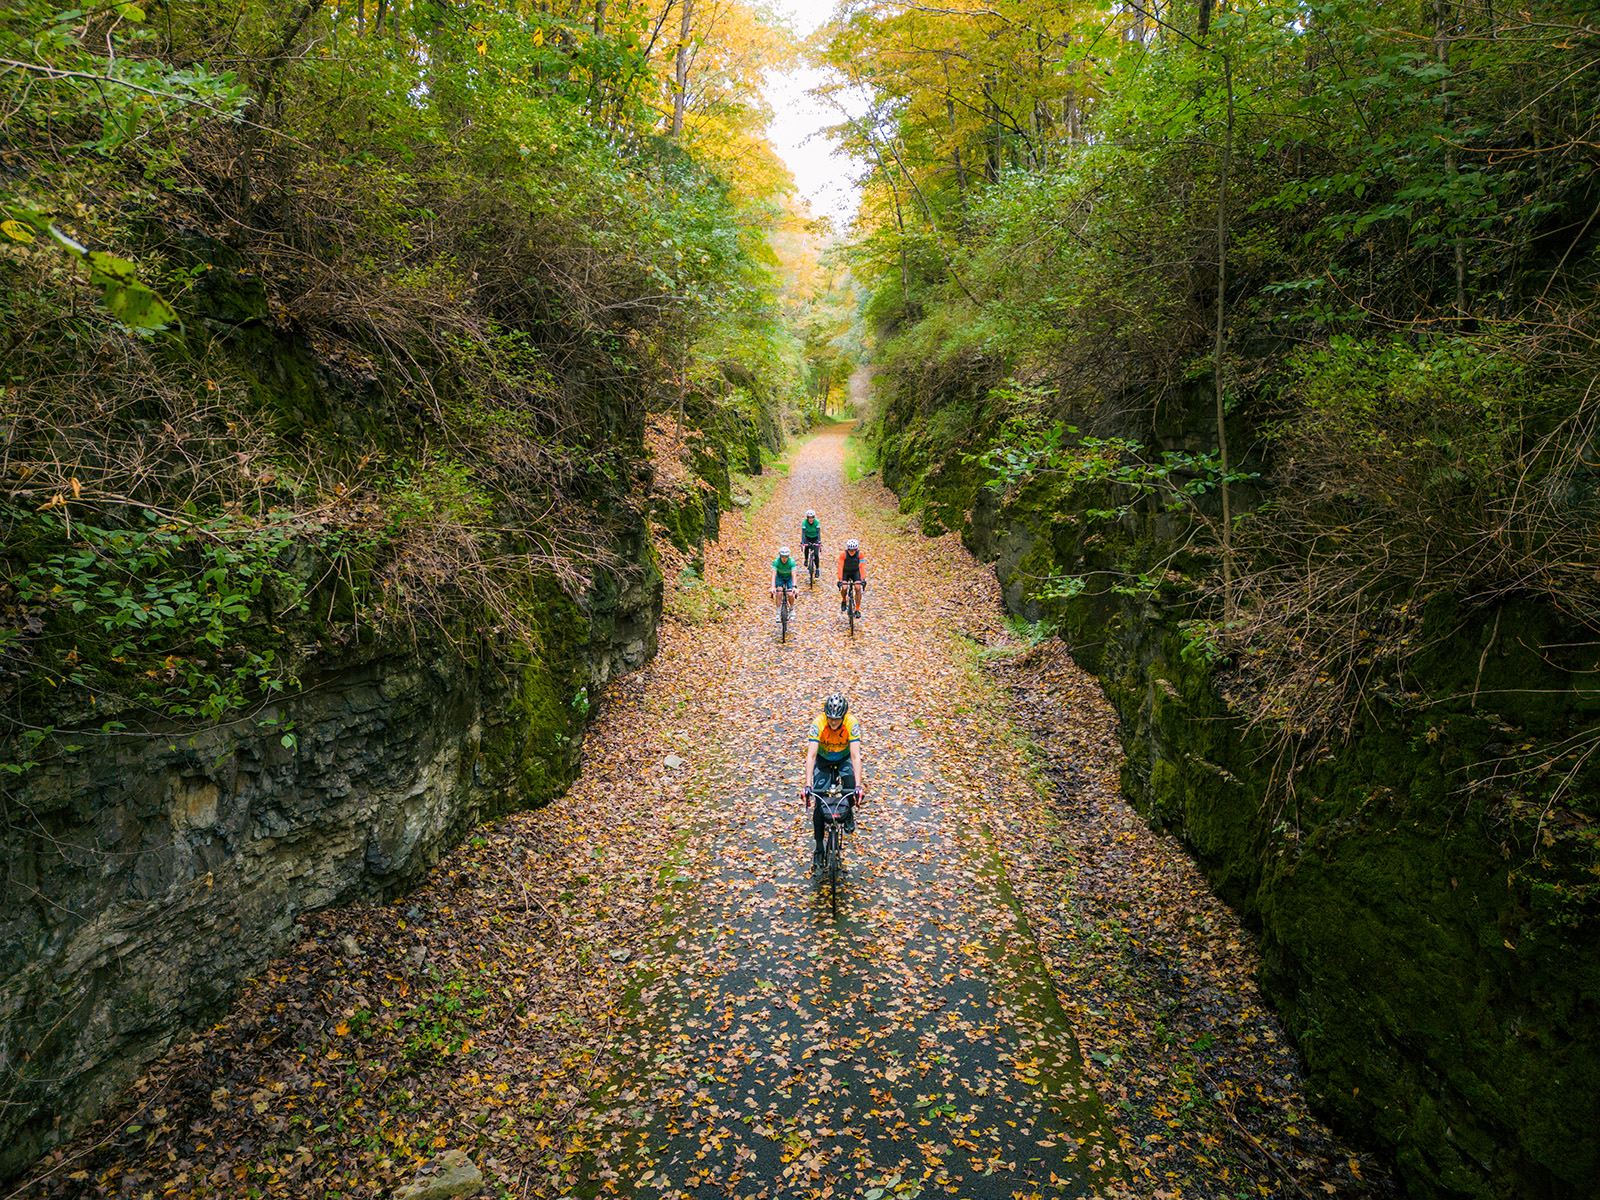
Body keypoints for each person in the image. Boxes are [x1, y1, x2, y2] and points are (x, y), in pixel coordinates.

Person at [801, 692, 865, 869]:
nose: (833, 723)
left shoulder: (851, 723)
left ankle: (849, 810)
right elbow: (811, 756)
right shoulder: (818, 723)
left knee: (850, 787)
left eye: (837, 720)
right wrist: (807, 785)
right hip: (823, 759)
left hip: (844, 758)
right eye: (830, 719)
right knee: (820, 803)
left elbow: (855, 755)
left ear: (844, 716)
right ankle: (819, 846)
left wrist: (858, 786)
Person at [837, 538, 866, 618]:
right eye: (850, 550)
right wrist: (840, 580)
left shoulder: (860, 554)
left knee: (857, 587)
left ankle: (857, 609)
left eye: (853, 550)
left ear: (856, 549)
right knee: (845, 587)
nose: (851, 552)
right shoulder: (843, 554)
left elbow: (862, 567)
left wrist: (863, 579)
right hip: (845, 572)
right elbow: (840, 567)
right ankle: (844, 600)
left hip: (855, 572)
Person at [770, 545, 798, 620]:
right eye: (782, 557)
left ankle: (791, 609)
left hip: (789, 577)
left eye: (786, 557)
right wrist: (772, 586)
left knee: (790, 593)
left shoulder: (791, 561)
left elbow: (794, 574)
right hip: (780, 577)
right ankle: (778, 611)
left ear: (788, 556)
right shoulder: (776, 561)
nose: (784, 559)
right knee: (779, 592)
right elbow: (773, 574)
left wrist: (794, 587)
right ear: (780, 556)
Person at [800, 510, 822, 575]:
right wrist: (803, 541)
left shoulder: (817, 522)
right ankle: (806, 559)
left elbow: (818, 532)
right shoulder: (804, 523)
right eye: (809, 518)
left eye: (812, 518)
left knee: (816, 554)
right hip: (807, 537)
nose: (811, 519)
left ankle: (817, 569)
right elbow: (803, 533)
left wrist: (819, 541)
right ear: (807, 518)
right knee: (806, 547)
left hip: (815, 538)